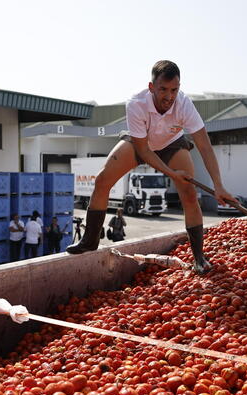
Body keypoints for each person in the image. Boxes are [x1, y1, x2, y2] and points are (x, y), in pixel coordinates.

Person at [66, 60, 236, 273]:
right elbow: (144, 151)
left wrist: (218, 185)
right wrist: (172, 174)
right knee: (102, 180)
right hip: (142, 143)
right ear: (151, 87)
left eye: (174, 90)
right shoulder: (136, 103)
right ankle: (89, 241)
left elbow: (204, 145)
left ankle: (199, 257)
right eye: (163, 89)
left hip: (172, 143)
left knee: (189, 194)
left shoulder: (184, 105)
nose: (169, 96)